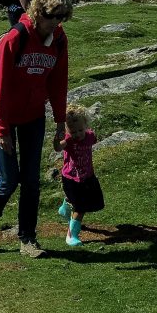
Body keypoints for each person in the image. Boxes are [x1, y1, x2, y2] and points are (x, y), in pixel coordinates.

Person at [0, 0, 72, 258]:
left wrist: (59, 123)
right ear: (37, 11)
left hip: (33, 116)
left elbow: (58, 83)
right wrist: (1, 130)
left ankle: (28, 239)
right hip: (3, 116)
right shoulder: (14, 39)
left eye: (62, 18)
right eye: (52, 16)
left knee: (31, 180)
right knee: (9, 179)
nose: (56, 23)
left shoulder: (58, 40)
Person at [57, 105, 105, 247]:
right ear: (67, 130)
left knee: (91, 200)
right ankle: (72, 236)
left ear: (86, 126)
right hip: (71, 178)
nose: (77, 134)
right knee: (80, 207)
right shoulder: (68, 141)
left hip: (87, 176)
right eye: (73, 131)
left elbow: (93, 138)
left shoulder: (89, 136)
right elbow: (58, 148)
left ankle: (65, 208)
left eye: (80, 130)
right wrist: (58, 137)